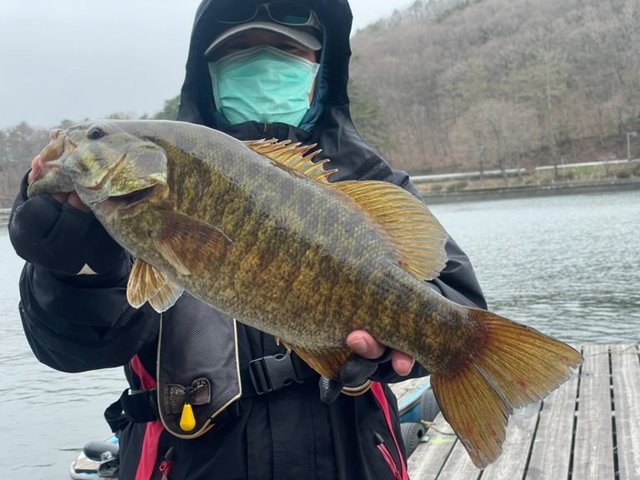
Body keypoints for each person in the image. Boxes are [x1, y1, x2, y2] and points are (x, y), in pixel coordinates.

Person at [9, 1, 487, 478]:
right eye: (239, 48)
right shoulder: (128, 206)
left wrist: (392, 350)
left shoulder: (372, 183)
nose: (262, 62)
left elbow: (454, 299)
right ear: (207, 70)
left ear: (319, 70)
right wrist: (75, 269)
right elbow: (73, 347)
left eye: (285, 48)